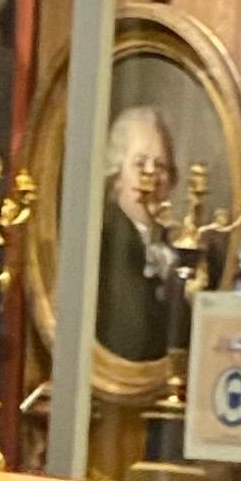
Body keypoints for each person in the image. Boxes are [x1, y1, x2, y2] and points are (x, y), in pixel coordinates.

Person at [97, 102, 188, 367]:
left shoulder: (181, 246)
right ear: (117, 176)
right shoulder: (104, 243)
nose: (151, 175)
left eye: (160, 165)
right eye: (140, 164)